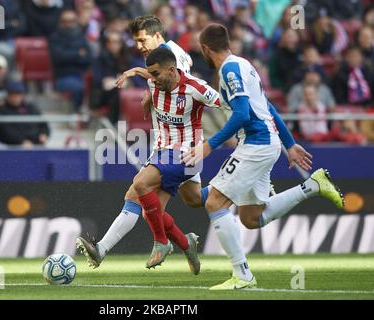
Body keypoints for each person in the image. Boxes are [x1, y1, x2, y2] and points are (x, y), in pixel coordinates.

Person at [181, 24, 344, 290]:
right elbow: (267, 107)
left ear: (205, 49)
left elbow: (243, 114)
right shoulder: (245, 65)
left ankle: (242, 275)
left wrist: (209, 146)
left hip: (255, 145)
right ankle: (312, 186)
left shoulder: (229, 71)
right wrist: (289, 144)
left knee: (214, 202)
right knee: (251, 217)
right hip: (267, 143)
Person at [76, 15, 213, 273]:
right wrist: (151, 91)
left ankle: (111, 248)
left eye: (142, 40)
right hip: (166, 142)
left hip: (180, 146)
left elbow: (180, 82)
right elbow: (167, 84)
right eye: (136, 41)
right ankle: (186, 243)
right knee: (187, 200)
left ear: (157, 35)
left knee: (140, 193)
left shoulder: (173, 54)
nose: (139, 46)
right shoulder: (161, 57)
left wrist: (141, 76)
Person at [133, 47, 222, 269]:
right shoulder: (156, 82)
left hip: (188, 155)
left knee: (140, 184)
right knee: (152, 213)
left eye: (155, 74)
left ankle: (161, 242)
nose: (151, 79)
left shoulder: (196, 88)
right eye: (149, 74)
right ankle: (186, 243)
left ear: (172, 70)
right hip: (164, 152)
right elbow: (149, 77)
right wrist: (142, 87)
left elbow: (228, 105)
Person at [0, 81, 49, 147]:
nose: (16, 97)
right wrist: (21, 141)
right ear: (8, 95)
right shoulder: (3, 111)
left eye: (18, 94)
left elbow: (43, 124)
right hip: (13, 148)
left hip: (36, 144)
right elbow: (6, 132)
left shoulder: (31, 108)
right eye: (13, 94)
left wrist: (44, 134)